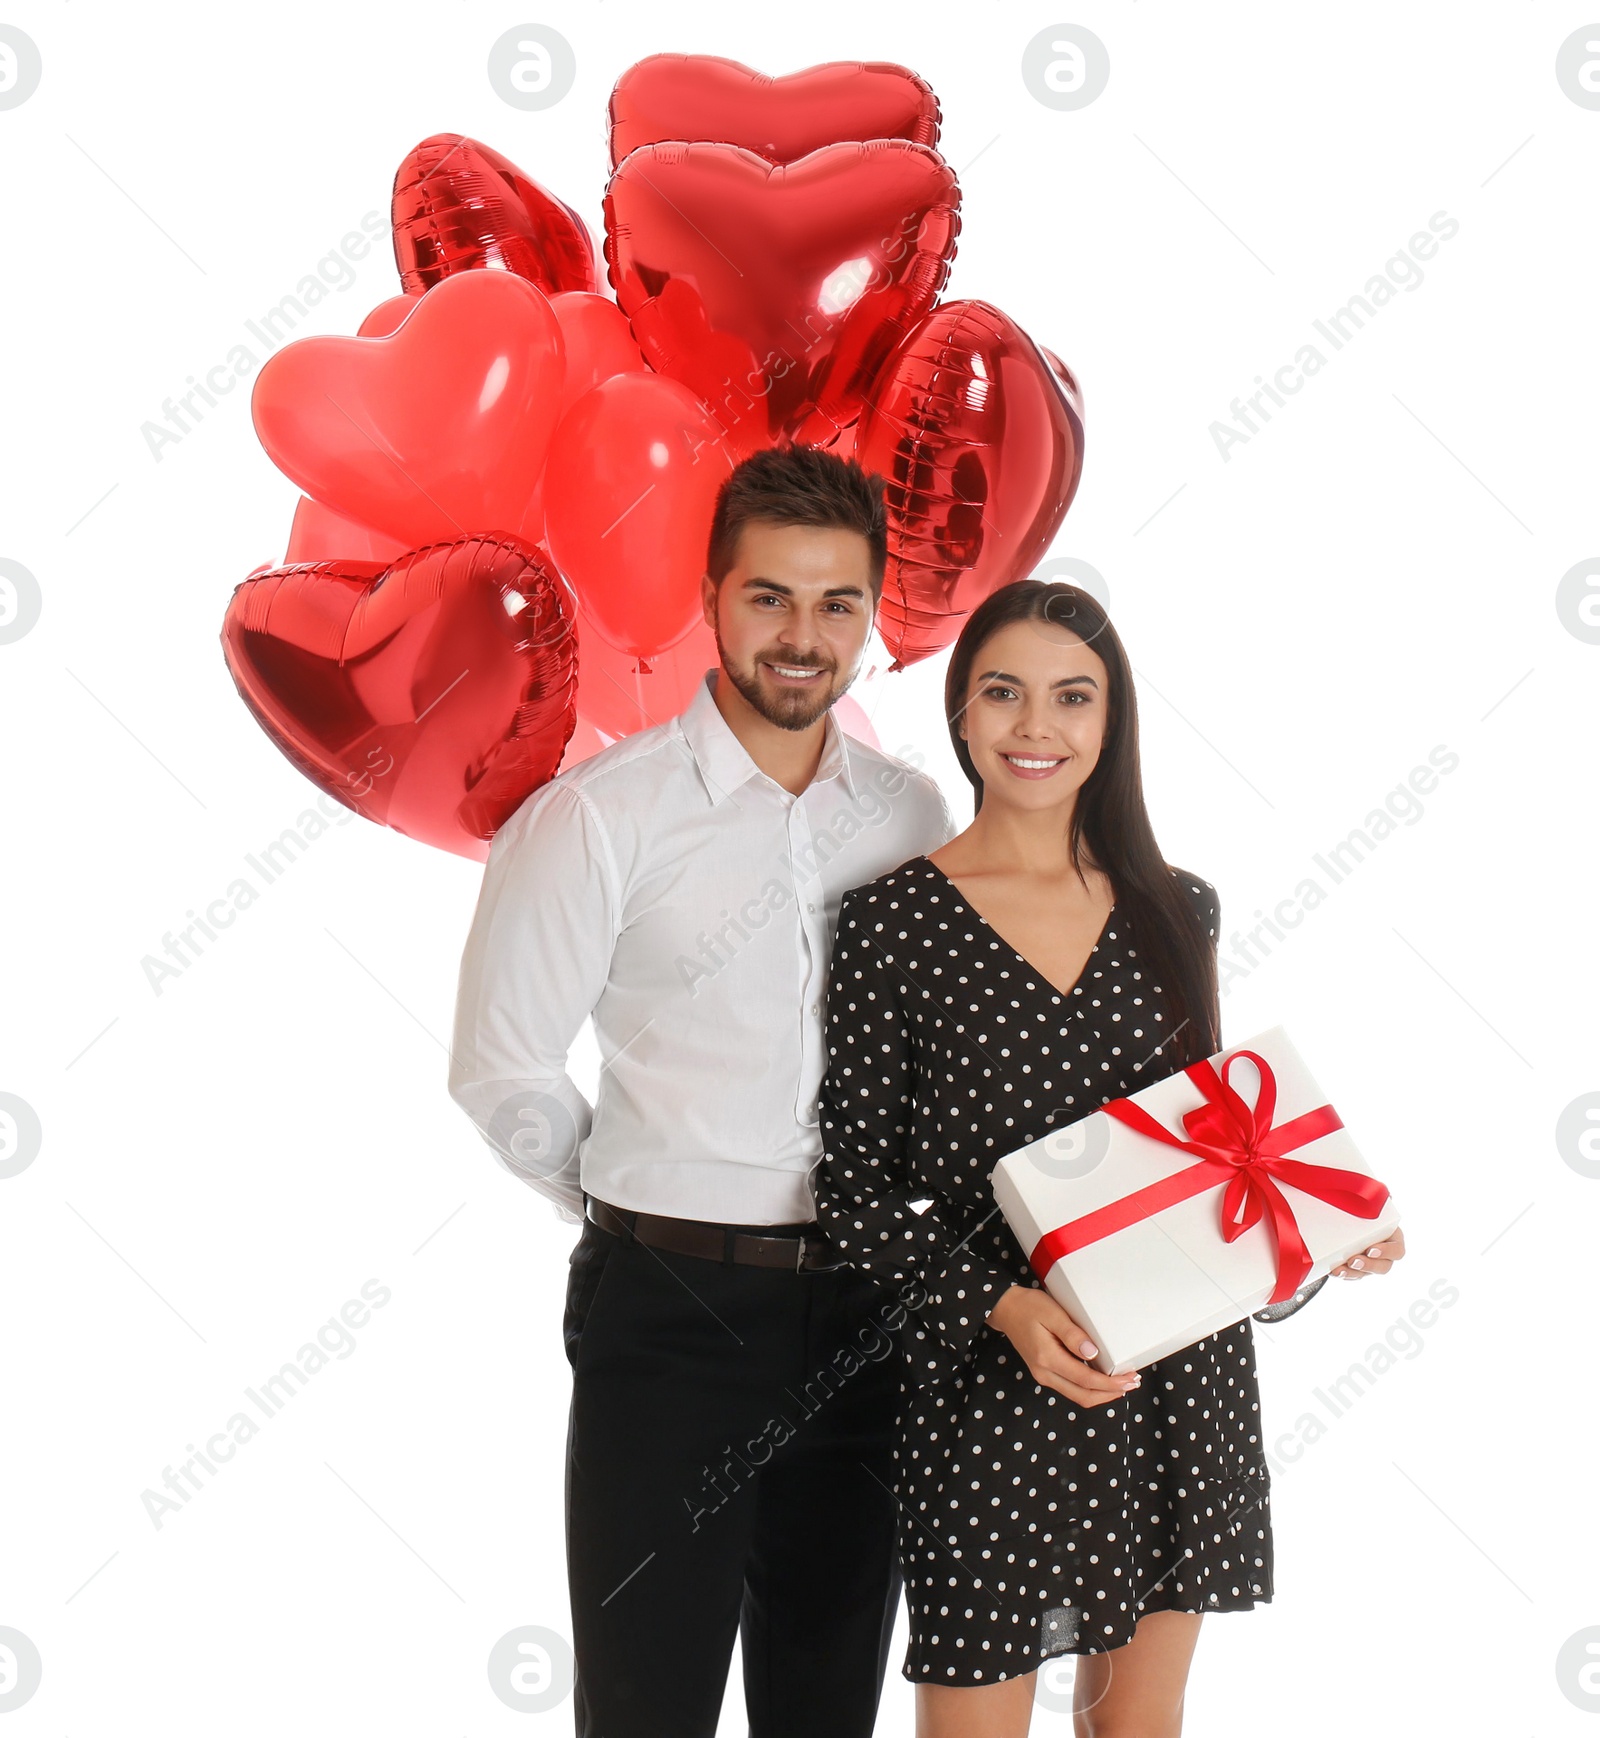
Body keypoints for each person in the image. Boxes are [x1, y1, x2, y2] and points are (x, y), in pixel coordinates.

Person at [814, 579, 1406, 1737]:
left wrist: (1318, 1232)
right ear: (962, 712)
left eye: (1071, 698)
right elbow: (850, 1192)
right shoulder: (894, 920)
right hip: (990, 1381)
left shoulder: (1179, 909)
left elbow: (1209, 1153)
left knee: (1136, 1728)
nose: (1036, 727)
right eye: (1004, 693)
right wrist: (1001, 1307)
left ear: (1110, 720)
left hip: (1170, 1379)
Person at [446, 443, 956, 1737]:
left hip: (863, 1315)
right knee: (647, 1707)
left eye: (837, 602)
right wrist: (640, 1194)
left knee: (826, 1703)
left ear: (874, 613)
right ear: (713, 596)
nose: (802, 635)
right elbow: (500, 1065)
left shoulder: (910, 814)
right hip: (668, 1319)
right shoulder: (599, 819)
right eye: (770, 596)